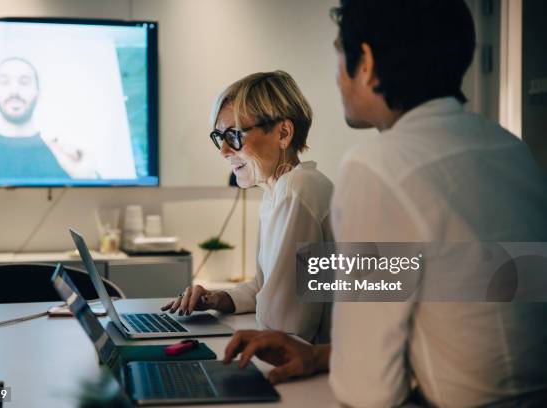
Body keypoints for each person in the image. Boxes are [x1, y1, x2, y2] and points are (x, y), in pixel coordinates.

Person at [223, 0, 547, 406]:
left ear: (367, 62)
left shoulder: (378, 166)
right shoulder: (511, 151)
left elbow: (369, 389)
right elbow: (465, 308)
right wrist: (321, 356)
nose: (337, 76)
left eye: (339, 53)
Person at [161, 71, 334, 343]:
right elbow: (264, 286)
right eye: (220, 137)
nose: (224, 151)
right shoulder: (278, 192)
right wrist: (218, 298)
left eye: (235, 134)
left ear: (283, 133)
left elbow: (284, 322)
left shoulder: (296, 190)